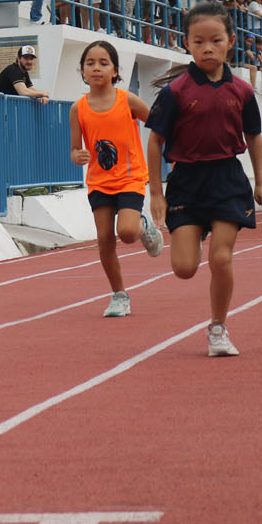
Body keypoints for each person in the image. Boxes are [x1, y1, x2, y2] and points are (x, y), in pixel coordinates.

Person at [146, 1, 262, 357]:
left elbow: (254, 137)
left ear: (230, 41)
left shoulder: (243, 91)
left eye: (215, 40)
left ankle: (218, 328)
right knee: (184, 269)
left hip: (228, 179)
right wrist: (156, 194)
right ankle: (187, 228)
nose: (208, 48)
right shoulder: (175, 93)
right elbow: (155, 142)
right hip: (186, 181)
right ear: (187, 43)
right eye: (199, 42)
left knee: (220, 258)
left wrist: (261, 183)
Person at [69, 40, 163, 317]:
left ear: (115, 71)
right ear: (83, 71)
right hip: (99, 182)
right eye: (90, 63)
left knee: (127, 232)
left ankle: (143, 226)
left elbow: (157, 124)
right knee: (104, 239)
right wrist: (77, 156)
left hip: (130, 179)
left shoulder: (127, 100)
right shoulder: (78, 108)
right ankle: (119, 294)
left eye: (103, 63)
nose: (96, 68)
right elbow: (75, 148)